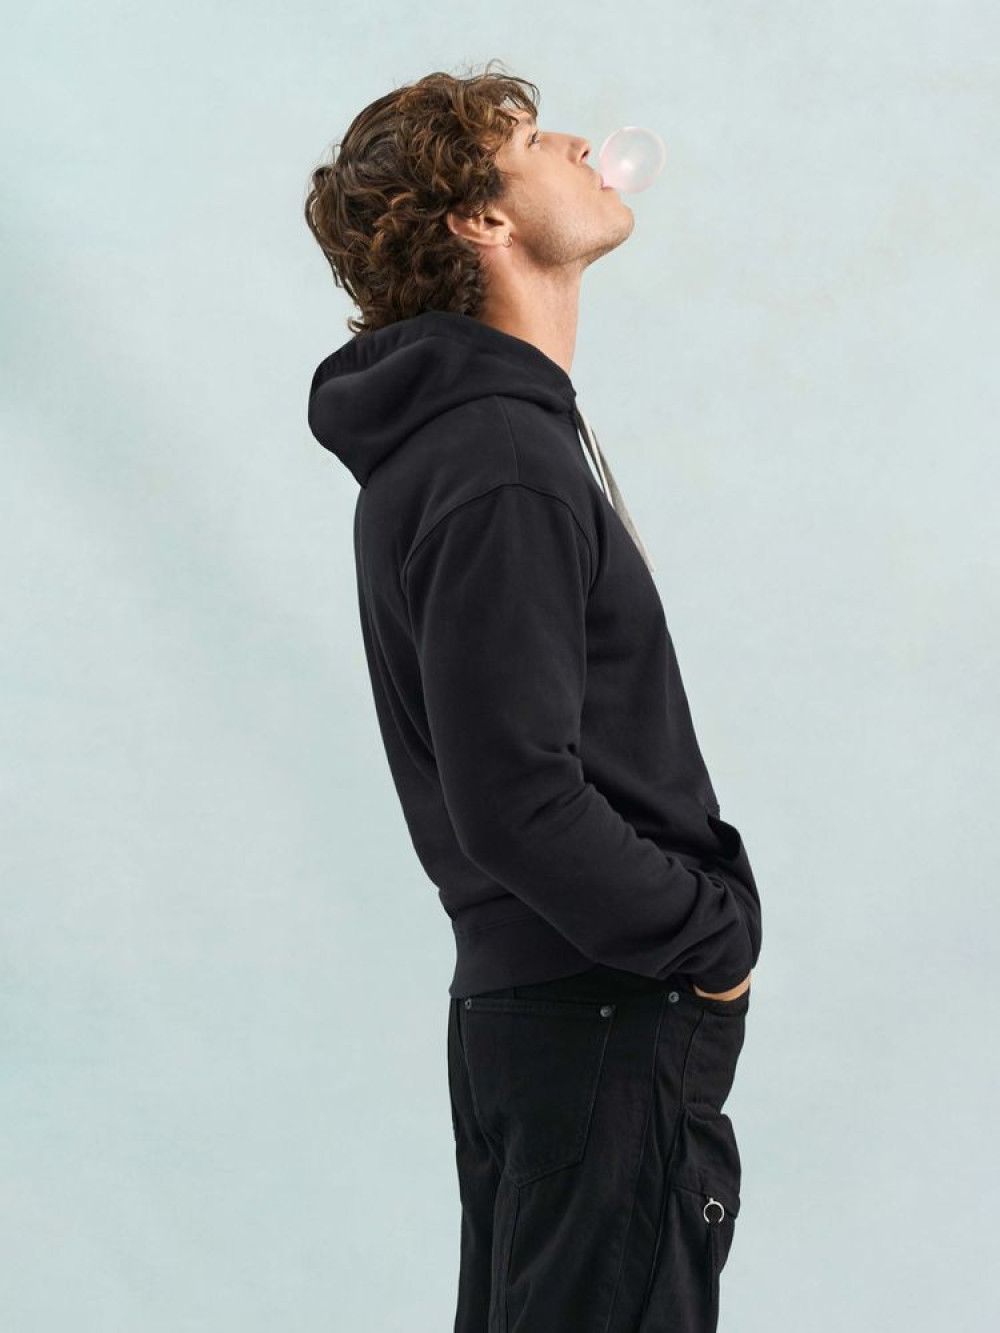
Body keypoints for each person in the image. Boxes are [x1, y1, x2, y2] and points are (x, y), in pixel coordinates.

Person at [304, 59, 763, 1332]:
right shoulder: (499, 458)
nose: (574, 144)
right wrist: (712, 944)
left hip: (552, 1018)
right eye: (528, 138)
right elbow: (515, 799)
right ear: (481, 220)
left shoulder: (469, 444)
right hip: (601, 1014)